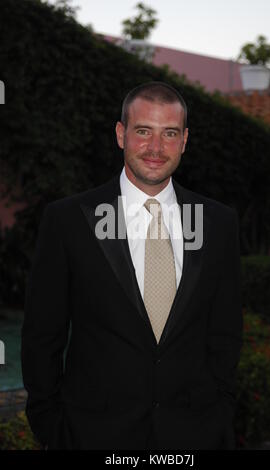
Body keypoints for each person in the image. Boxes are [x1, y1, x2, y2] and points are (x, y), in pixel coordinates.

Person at [21, 81, 243, 450]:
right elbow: (42, 335)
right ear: (121, 134)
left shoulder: (218, 223)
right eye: (144, 131)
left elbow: (225, 332)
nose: (156, 148)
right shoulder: (69, 220)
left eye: (169, 133)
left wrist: (220, 413)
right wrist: (52, 426)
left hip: (194, 436)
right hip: (91, 435)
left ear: (185, 140)